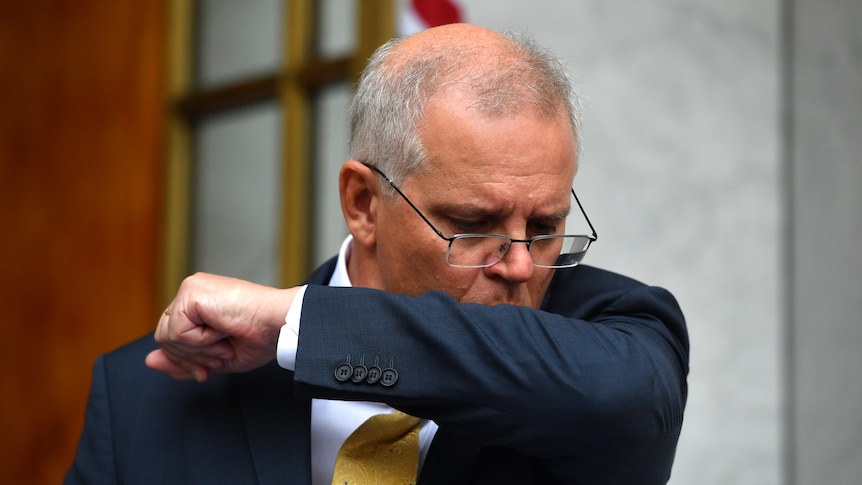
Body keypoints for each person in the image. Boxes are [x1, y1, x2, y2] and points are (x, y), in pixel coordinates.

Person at [66, 23, 688, 484]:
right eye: (473, 224)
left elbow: (627, 403)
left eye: (546, 226)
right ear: (363, 202)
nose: (522, 265)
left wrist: (298, 325)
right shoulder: (142, 400)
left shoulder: (607, 331)